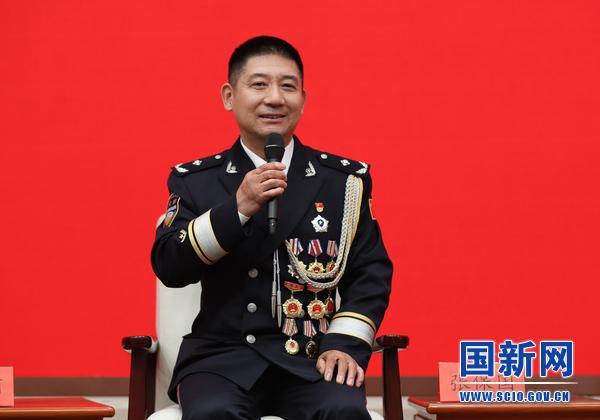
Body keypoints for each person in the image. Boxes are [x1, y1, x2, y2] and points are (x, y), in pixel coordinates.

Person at [151, 35, 392, 420]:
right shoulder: (196, 181)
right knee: (213, 413)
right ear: (229, 96)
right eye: (259, 84)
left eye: (288, 86)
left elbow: (371, 272)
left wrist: (344, 343)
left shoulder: (343, 182)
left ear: (303, 99)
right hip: (222, 360)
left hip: (312, 356)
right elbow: (169, 265)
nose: (275, 98)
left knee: (343, 410)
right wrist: (238, 209)